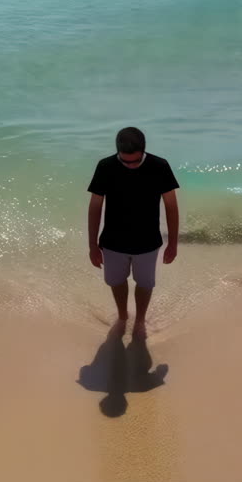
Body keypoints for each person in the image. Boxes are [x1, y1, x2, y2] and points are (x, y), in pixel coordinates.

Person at [87, 126, 180, 337]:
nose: (131, 166)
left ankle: (139, 320)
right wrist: (92, 245)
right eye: (126, 161)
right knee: (116, 281)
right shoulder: (106, 166)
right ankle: (122, 316)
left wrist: (173, 243)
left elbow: (171, 206)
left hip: (148, 242)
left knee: (145, 283)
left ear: (144, 151)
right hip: (112, 241)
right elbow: (95, 207)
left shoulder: (159, 166)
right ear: (117, 152)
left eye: (136, 161)